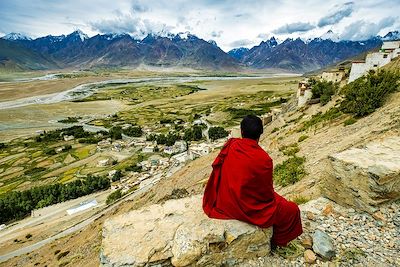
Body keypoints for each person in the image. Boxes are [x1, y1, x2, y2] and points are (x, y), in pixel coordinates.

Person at [203, 115, 302, 247]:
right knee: (292, 209)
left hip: (225, 202)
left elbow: (218, 172)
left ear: (242, 132)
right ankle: (276, 242)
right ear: (260, 133)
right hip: (249, 207)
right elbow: (265, 194)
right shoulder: (264, 159)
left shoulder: (231, 145)